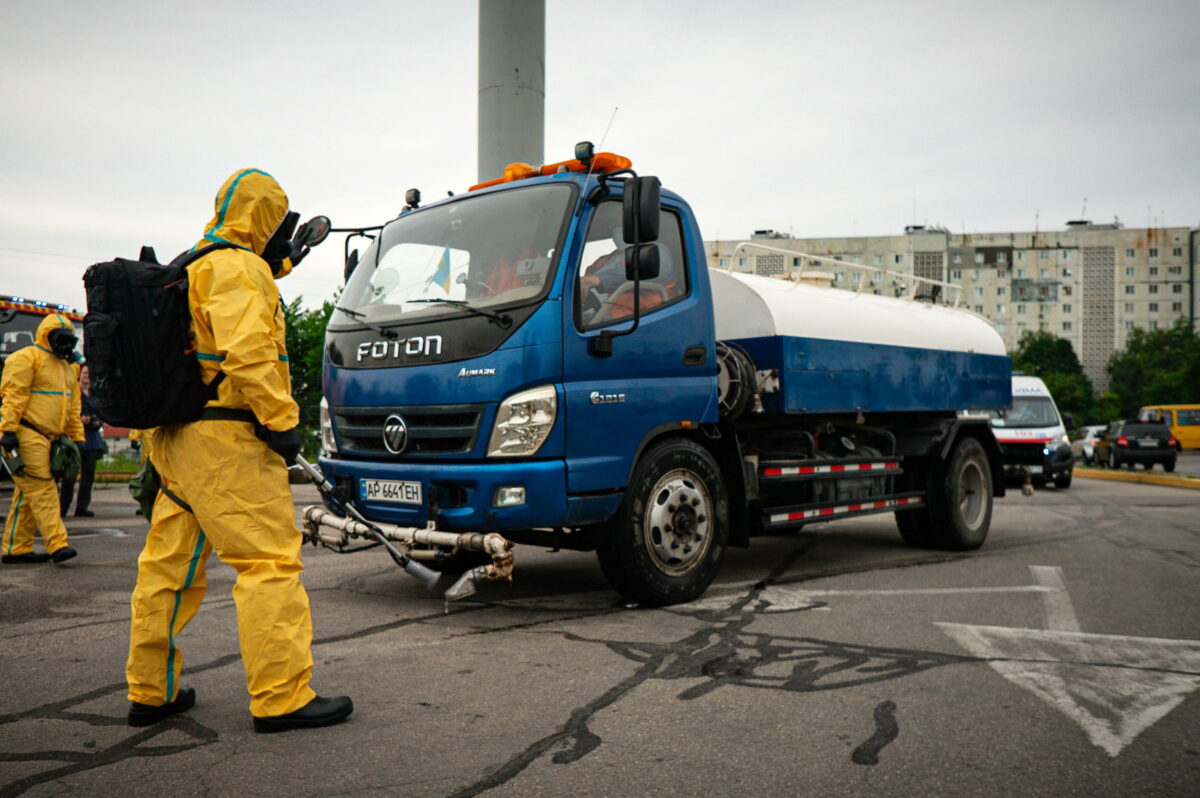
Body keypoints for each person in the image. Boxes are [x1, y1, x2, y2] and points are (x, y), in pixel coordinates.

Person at [125, 168, 352, 733]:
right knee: (268, 562)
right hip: (226, 442)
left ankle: (150, 691)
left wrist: (285, 261)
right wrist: (283, 421)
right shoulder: (240, 269)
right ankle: (281, 698)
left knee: (166, 570)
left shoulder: (192, 263)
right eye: (277, 219)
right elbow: (248, 350)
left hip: (175, 441)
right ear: (262, 217)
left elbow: (213, 318)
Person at [0, 313, 83, 564]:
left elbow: (73, 406)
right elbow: (14, 395)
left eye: (70, 340)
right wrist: (9, 431)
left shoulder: (68, 368)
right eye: (61, 339)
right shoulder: (26, 359)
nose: (66, 345)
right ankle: (58, 544)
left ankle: (16, 547)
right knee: (44, 488)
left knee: (28, 493)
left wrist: (77, 437)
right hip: (27, 432)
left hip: (50, 438)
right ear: (46, 336)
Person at [60, 365, 106, 517]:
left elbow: (102, 413)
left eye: (89, 373)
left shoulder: (95, 394)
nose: (87, 376)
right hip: (75, 436)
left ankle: (82, 507)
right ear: (79, 375)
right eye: (85, 373)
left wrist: (95, 421)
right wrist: (79, 419)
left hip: (92, 438)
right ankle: (63, 507)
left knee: (88, 474)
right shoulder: (75, 393)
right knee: (70, 474)